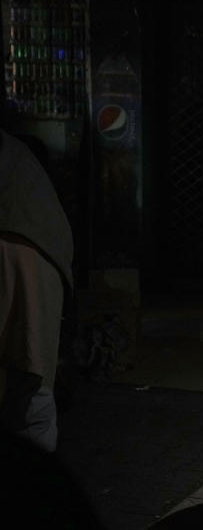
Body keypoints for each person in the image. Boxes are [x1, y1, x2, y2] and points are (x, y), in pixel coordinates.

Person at [0, 130, 73, 452]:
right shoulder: (19, 156)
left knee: (30, 387)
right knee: (32, 380)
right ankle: (33, 486)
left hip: (26, 253)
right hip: (40, 260)